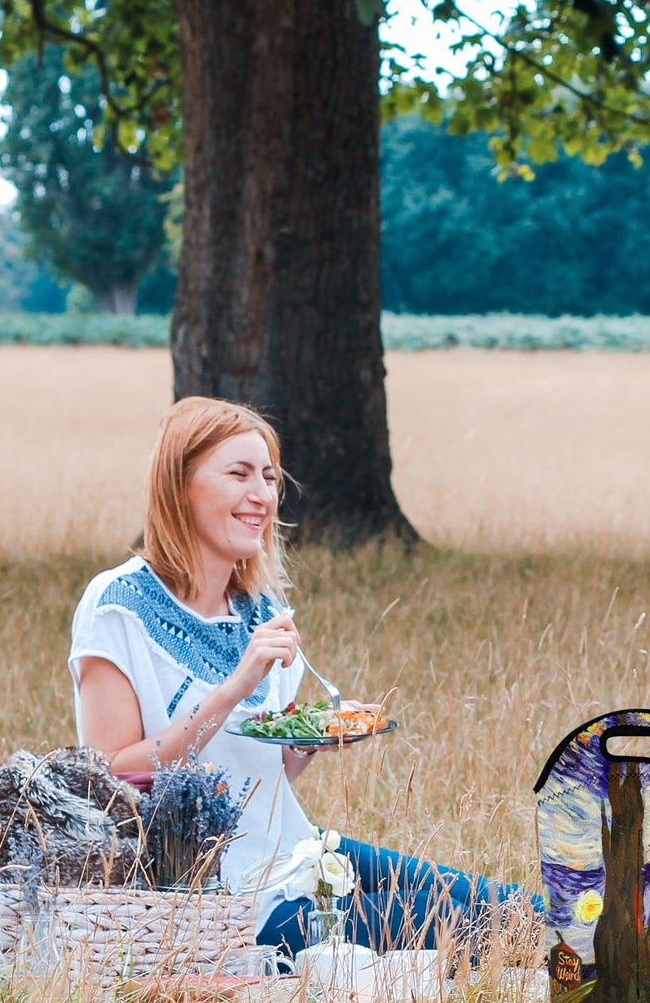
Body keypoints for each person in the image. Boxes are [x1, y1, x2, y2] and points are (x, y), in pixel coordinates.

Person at [69, 395, 542, 959]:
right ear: (180, 485)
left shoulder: (261, 610)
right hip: (217, 898)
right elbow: (111, 776)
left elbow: (263, 777)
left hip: (294, 851)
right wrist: (232, 691)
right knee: (457, 925)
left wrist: (311, 740)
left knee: (510, 907)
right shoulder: (117, 604)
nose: (262, 495)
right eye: (239, 474)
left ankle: (646, 926)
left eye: (269, 478)